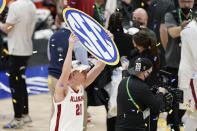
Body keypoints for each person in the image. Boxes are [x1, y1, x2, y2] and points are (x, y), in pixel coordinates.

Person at [49, 33, 108, 131]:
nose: (85, 72)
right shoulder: (62, 89)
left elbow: (99, 66)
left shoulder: (81, 86)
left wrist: (106, 44)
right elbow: (65, 71)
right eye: (82, 71)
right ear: (72, 74)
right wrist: (70, 47)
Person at [0, 0, 36, 129]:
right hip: (26, 49)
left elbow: (7, 28)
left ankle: (17, 118)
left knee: (15, 85)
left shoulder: (14, 6)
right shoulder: (31, 5)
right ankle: (25, 115)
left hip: (16, 51)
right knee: (21, 82)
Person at [164, 0, 195, 130]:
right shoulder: (171, 15)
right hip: (174, 63)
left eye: (189, 1)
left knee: (187, 98)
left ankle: (182, 123)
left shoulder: (195, 15)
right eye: (183, 1)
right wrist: (184, 27)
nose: (186, 4)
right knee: (173, 98)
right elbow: (172, 33)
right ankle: (172, 125)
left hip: (191, 65)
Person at [116, 58, 166, 131]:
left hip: (120, 127)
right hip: (135, 128)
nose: (150, 75)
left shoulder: (123, 82)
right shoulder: (142, 87)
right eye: (149, 72)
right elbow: (156, 106)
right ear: (144, 72)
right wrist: (161, 93)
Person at [178, 13, 197, 131]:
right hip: (191, 77)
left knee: (192, 114)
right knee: (192, 113)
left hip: (191, 75)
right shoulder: (191, 30)